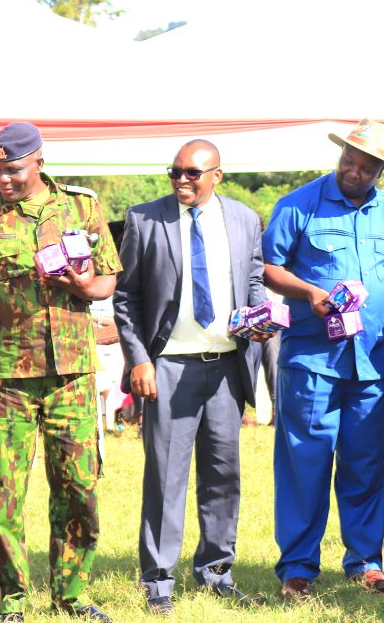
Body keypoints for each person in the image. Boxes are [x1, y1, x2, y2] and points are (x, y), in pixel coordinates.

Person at [0, 122, 120, 623]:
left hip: (70, 372)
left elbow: (108, 277)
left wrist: (85, 285)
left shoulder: (82, 206)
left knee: (79, 488)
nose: (3, 178)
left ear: (39, 162)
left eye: (14, 169)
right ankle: (11, 601)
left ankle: (72, 594)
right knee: (4, 489)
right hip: (7, 376)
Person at [113, 139, 269, 615]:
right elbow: (126, 299)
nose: (182, 180)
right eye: (175, 172)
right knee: (165, 478)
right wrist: (139, 359)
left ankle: (217, 574)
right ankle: (158, 582)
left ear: (216, 176)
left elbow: (255, 278)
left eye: (192, 174)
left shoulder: (243, 219)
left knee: (223, 475)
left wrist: (259, 316)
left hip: (225, 367)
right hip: (169, 368)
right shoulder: (145, 219)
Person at [262, 119, 384, 598]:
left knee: (366, 463)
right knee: (306, 462)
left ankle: (365, 562)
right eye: (349, 160)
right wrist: (309, 292)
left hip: (371, 360)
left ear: (381, 171)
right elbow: (267, 267)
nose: (354, 171)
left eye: (366, 167)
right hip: (312, 361)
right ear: (339, 156)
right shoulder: (298, 204)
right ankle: (298, 568)